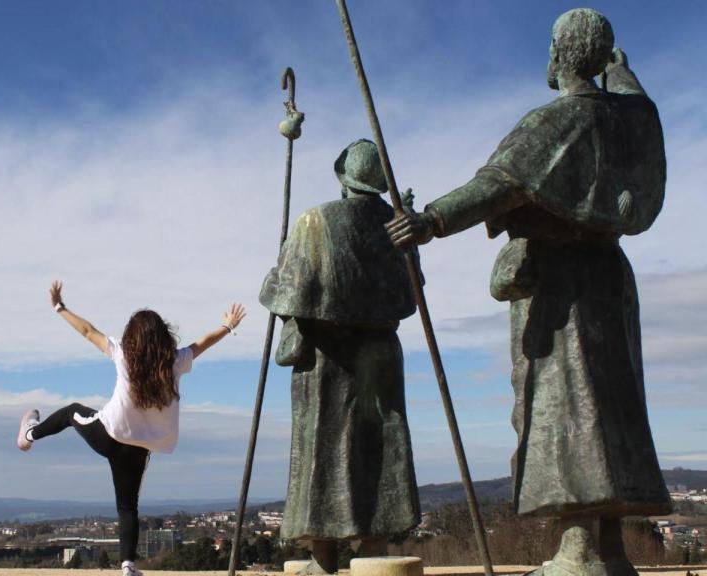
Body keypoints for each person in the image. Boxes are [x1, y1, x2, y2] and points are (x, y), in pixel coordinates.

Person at [386, 9, 668, 576]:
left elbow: (497, 186)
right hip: (610, 278)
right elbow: (635, 96)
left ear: (559, 55)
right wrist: (619, 71)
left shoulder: (556, 123)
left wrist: (431, 221)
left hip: (559, 282)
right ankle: (609, 550)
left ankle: (578, 549)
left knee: (567, 408)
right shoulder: (633, 119)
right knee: (609, 407)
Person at [260, 139, 420, 575]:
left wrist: (276, 269)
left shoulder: (316, 220)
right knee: (378, 445)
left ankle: (322, 558)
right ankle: (374, 549)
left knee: (322, 449)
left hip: (327, 358)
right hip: (381, 352)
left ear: (344, 179)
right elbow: (412, 295)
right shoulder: (398, 226)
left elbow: (284, 295)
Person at [17, 281, 246, 576]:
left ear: (132, 336)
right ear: (163, 336)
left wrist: (60, 307)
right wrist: (227, 327)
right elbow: (202, 343)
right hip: (138, 448)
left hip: (108, 435)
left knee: (71, 411)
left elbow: (87, 331)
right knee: (128, 507)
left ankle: (29, 434)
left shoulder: (123, 352)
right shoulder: (174, 362)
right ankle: (128, 566)